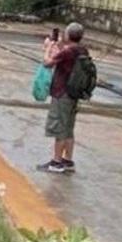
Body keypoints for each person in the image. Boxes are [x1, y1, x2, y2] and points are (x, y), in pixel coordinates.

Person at [37, 23, 88, 174]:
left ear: (68, 35)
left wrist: (47, 48)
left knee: (59, 127)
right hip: (74, 94)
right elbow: (65, 57)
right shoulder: (82, 49)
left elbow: (48, 63)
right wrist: (58, 45)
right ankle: (68, 160)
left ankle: (56, 162)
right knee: (69, 127)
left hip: (62, 93)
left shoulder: (68, 52)